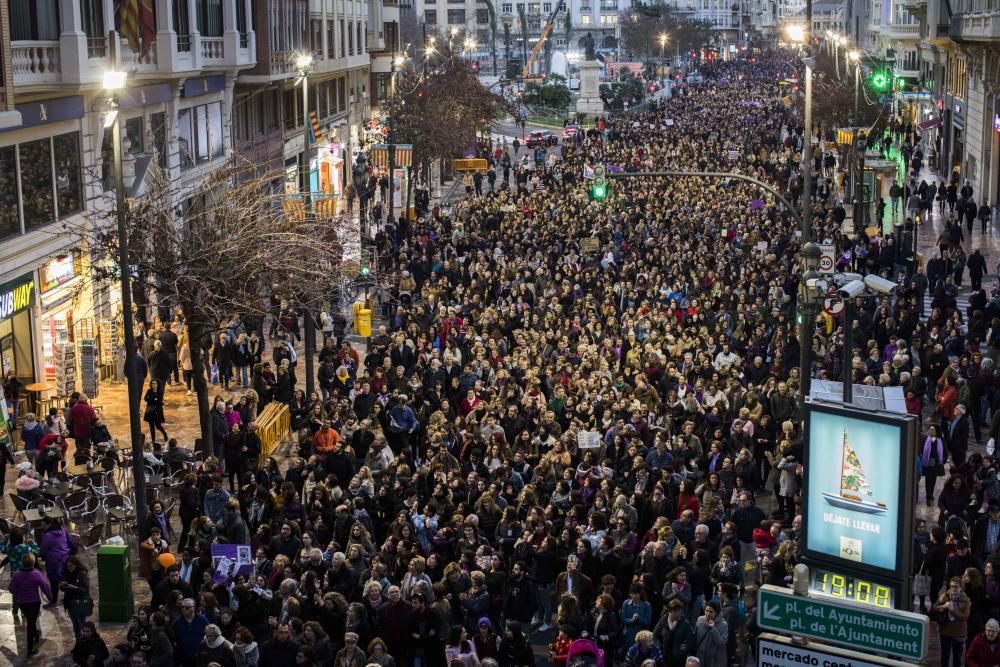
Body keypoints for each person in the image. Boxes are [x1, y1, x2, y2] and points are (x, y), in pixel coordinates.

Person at [8, 553, 52, 655]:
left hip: (22, 602)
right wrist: (50, 598)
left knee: (30, 621)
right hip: (34, 602)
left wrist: (19, 592)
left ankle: (36, 635)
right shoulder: (36, 574)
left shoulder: (17, 574)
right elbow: (45, 586)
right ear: (33, 562)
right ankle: (30, 648)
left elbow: (11, 589)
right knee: (31, 624)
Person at [935, 577, 972, 667]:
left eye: (956, 586)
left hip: (959, 632)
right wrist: (943, 606)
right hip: (945, 630)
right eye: (951, 586)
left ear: (961, 587)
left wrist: (952, 610)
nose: (953, 589)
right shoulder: (945, 596)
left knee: (957, 657)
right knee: (944, 656)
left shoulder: (966, 600)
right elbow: (933, 608)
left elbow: (965, 617)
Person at [61, 556, 93, 640]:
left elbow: (85, 589)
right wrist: (62, 585)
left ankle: (86, 643)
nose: (69, 568)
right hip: (70, 602)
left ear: (76, 565)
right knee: (75, 624)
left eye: (71, 566)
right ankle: (78, 643)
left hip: (80, 602)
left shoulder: (82, 574)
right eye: (67, 566)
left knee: (81, 624)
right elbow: (63, 587)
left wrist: (75, 588)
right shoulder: (66, 572)